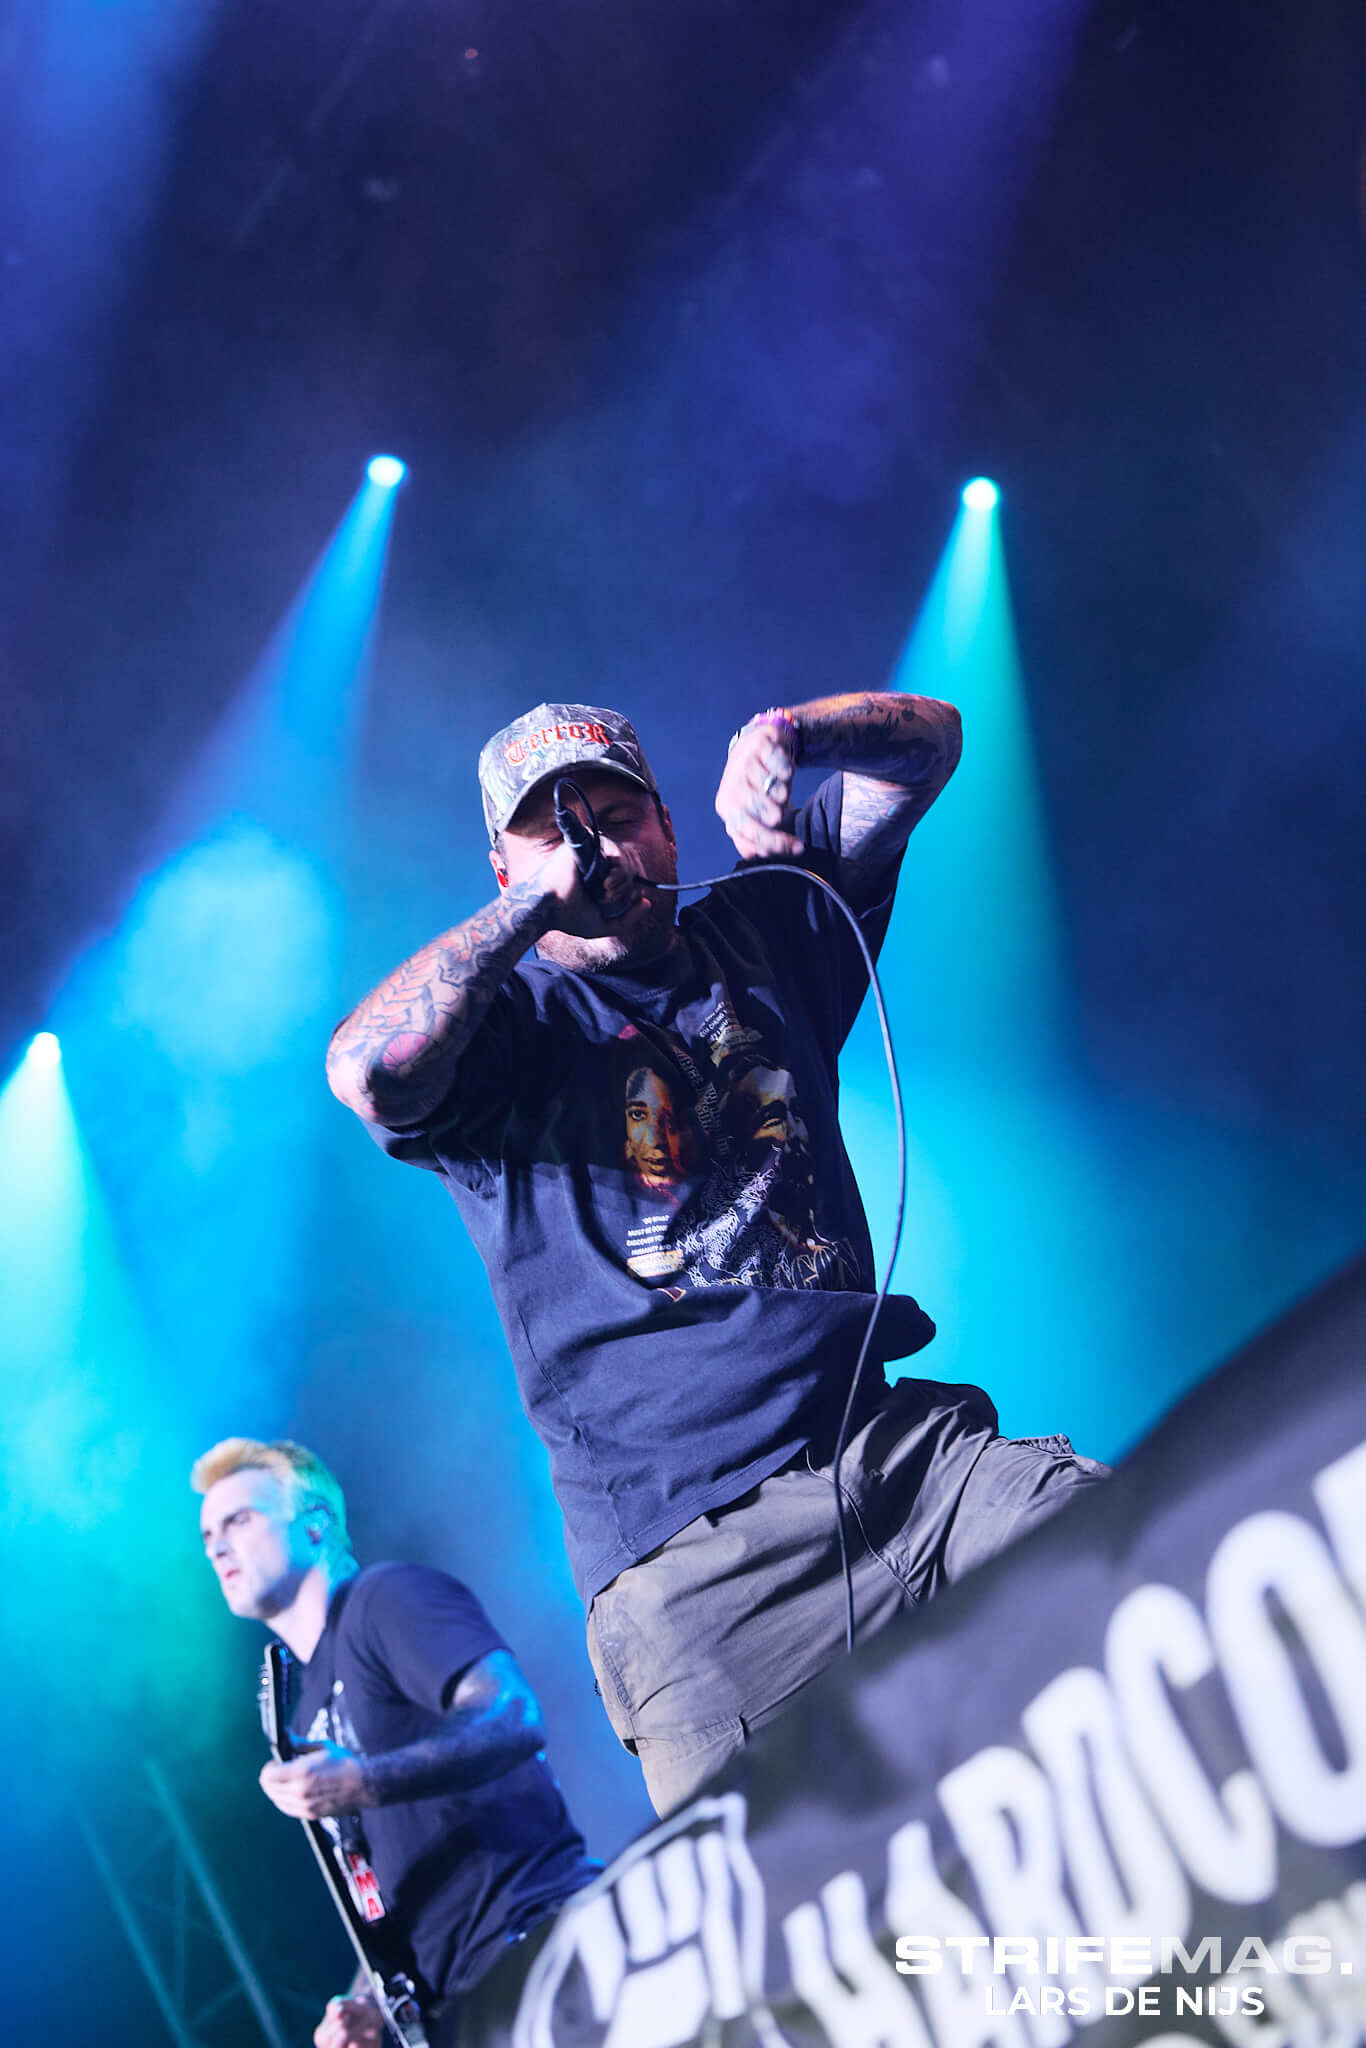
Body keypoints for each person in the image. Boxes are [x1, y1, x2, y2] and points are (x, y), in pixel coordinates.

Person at [325, 695, 1106, 1815]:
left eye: (615, 816)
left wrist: (799, 734)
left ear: (667, 824)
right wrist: (538, 904)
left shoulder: (768, 923)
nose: (593, 848)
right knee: (810, 1906)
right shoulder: (503, 1035)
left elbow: (929, 745)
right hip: (703, 1577)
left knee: (1152, 1562)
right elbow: (366, 1071)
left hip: (905, 1462)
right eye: (552, 834)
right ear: (501, 869)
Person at [193, 1436, 598, 2048]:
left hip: (539, 1949)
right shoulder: (302, 1708)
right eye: (208, 1535)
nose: (217, 1545)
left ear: (314, 1524)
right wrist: (369, 1999)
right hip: (461, 2012)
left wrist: (365, 1781)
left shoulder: (384, 1600)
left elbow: (514, 1715)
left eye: (239, 1520)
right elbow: (379, 1879)